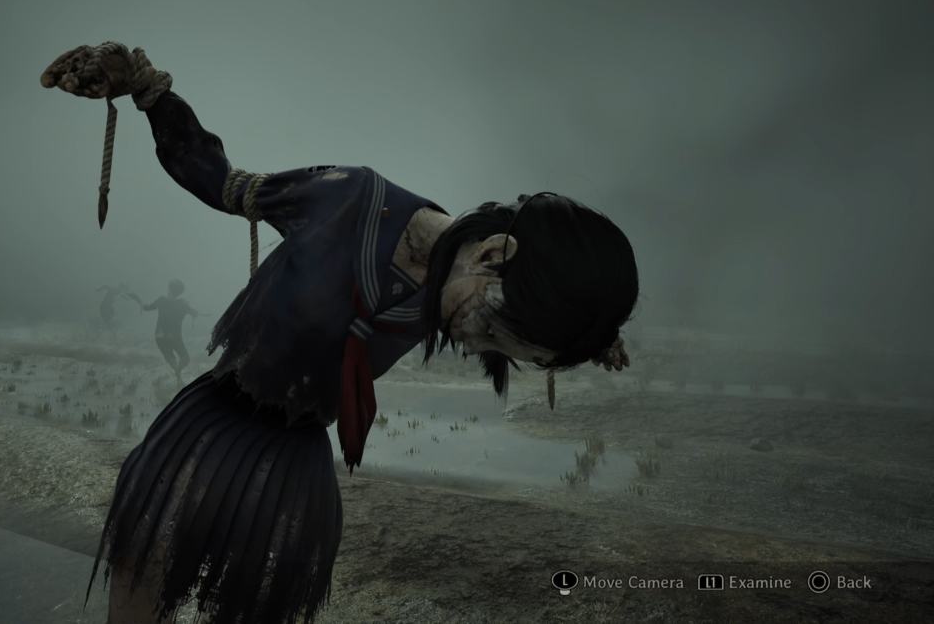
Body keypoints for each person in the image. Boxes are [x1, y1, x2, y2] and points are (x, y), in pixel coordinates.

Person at [41, 43, 636, 624]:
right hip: (211, 426)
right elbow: (220, 181)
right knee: (143, 576)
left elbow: (541, 277)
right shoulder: (349, 200)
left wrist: (590, 330)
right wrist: (149, 93)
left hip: (295, 465)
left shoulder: (468, 281)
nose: (478, 345)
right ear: (492, 255)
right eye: (492, 329)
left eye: (503, 348)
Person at [128, 279, 198, 386]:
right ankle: (178, 374)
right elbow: (194, 313)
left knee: (171, 358)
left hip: (160, 336)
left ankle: (178, 377)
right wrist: (194, 313)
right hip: (174, 336)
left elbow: (146, 307)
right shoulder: (183, 303)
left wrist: (138, 300)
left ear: (169, 289)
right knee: (185, 358)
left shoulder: (161, 300)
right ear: (180, 292)